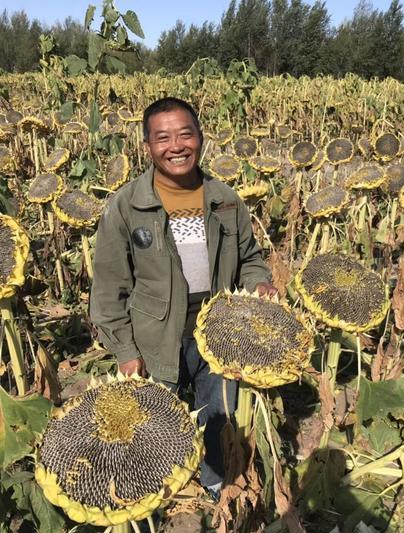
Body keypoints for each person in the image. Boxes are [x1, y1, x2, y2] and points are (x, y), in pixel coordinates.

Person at [90, 97, 277, 495]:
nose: (176, 146)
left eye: (185, 134)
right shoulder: (126, 206)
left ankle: (215, 484)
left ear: (200, 138)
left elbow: (250, 258)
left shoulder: (225, 199)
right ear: (147, 147)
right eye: (163, 137)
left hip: (222, 330)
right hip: (155, 334)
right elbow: (109, 289)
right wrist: (125, 350)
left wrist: (260, 283)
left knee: (220, 412)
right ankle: (151, 491)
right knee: (153, 420)